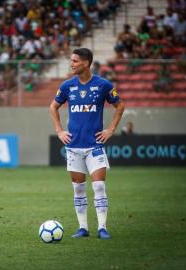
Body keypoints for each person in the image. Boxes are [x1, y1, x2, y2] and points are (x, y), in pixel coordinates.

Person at [50, 48, 125, 240]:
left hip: (94, 146)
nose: (72, 64)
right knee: (78, 188)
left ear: (86, 62)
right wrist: (59, 130)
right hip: (74, 146)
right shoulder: (67, 86)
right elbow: (53, 106)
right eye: (71, 60)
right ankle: (83, 228)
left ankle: (102, 228)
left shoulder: (103, 85)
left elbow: (120, 105)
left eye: (75, 61)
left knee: (99, 186)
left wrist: (110, 130)